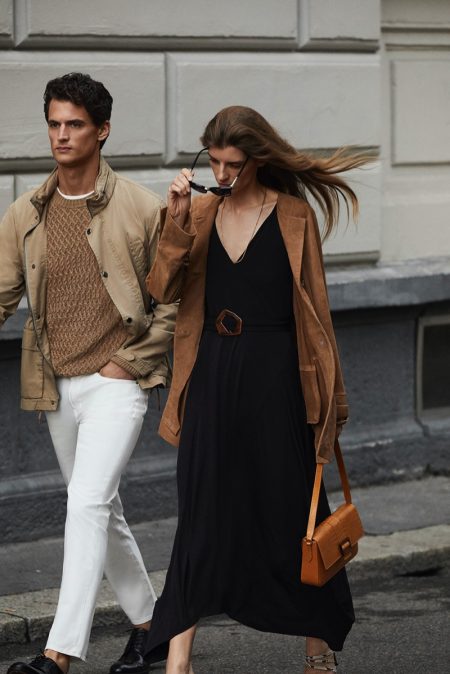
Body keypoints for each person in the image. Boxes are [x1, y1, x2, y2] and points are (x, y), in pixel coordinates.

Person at [144, 105, 370, 674]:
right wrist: (176, 222)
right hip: (211, 373)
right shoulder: (196, 212)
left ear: (258, 160)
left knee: (293, 507)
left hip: (277, 377)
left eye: (234, 165)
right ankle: (178, 661)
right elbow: (160, 290)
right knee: (201, 512)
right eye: (215, 163)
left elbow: (317, 315)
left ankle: (317, 649)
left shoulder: (294, 216)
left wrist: (331, 403)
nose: (222, 174)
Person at [1, 73, 177, 674]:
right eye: (54, 123)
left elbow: (173, 300)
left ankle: (58, 655)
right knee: (103, 509)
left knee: (84, 505)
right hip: (57, 386)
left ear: (102, 131)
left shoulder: (141, 208)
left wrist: (127, 363)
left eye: (74, 124)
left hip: (117, 382)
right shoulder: (26, 213)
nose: (61, 135)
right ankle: (152, 629)